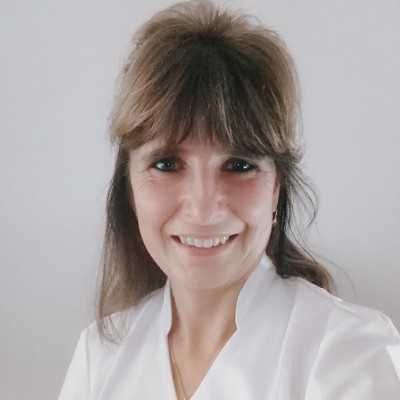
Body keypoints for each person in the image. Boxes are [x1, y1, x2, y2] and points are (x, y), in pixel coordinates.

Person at [59, 1, 400, 399]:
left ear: (276, 188)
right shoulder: (100, 355)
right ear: (129, 189)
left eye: (239, 165)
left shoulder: (351, 353)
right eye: (167, 164)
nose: (203, 208)